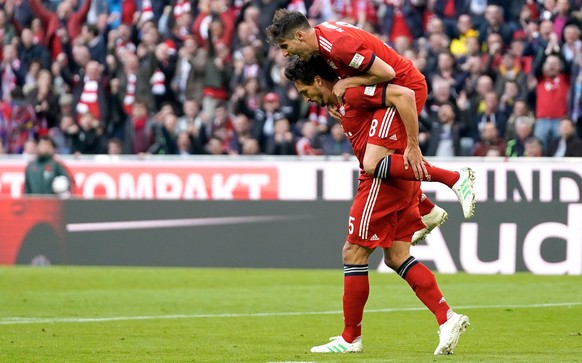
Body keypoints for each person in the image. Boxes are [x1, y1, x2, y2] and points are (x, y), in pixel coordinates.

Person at [284, 55, 470, 356]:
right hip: (397, 178)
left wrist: (413, 145)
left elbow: (402, 94)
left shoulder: (353, 91)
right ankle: (447, 318)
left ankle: (350, 338)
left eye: (307, 91)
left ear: (319, 80)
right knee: (397, 256)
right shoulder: (345, 99)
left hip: (380, 181)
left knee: (353, 252)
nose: (308, 99)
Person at [265, 10, 475, 240]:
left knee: (373, 162)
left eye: (284, 46)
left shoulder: (337, 46)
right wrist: (335, 95)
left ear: (299, 36)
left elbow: (387, 72)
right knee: (375, 156)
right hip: (382, 94)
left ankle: (455, 179)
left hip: (402, 91)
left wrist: (413, 144)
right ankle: (426, 209)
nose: (285, 53)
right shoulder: (324, 37)